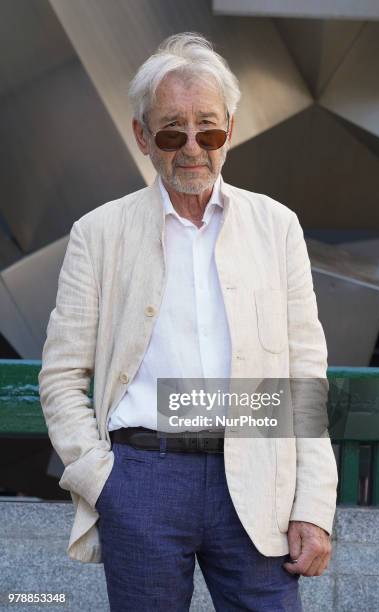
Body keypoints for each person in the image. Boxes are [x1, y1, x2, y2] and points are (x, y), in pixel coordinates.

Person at [38, 32, 338, 611]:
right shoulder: (97, 234)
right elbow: (60, 376)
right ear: (143, 137)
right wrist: (105, 481)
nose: (193, 147)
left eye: (210, 129)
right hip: (141, 479)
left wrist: (312, 505)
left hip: (257, 476)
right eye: (173, 131)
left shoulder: (278, 227)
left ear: (231, 127)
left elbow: (305, 376)